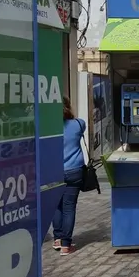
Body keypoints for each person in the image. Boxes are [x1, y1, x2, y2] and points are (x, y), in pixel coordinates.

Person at [52, 97, 86, 255]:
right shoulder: (79, 124)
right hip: (74, 170)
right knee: (69, 207)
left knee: (56, 206)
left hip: (53, 171)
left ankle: (57, 239)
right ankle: (66, 245)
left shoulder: (48, 127)